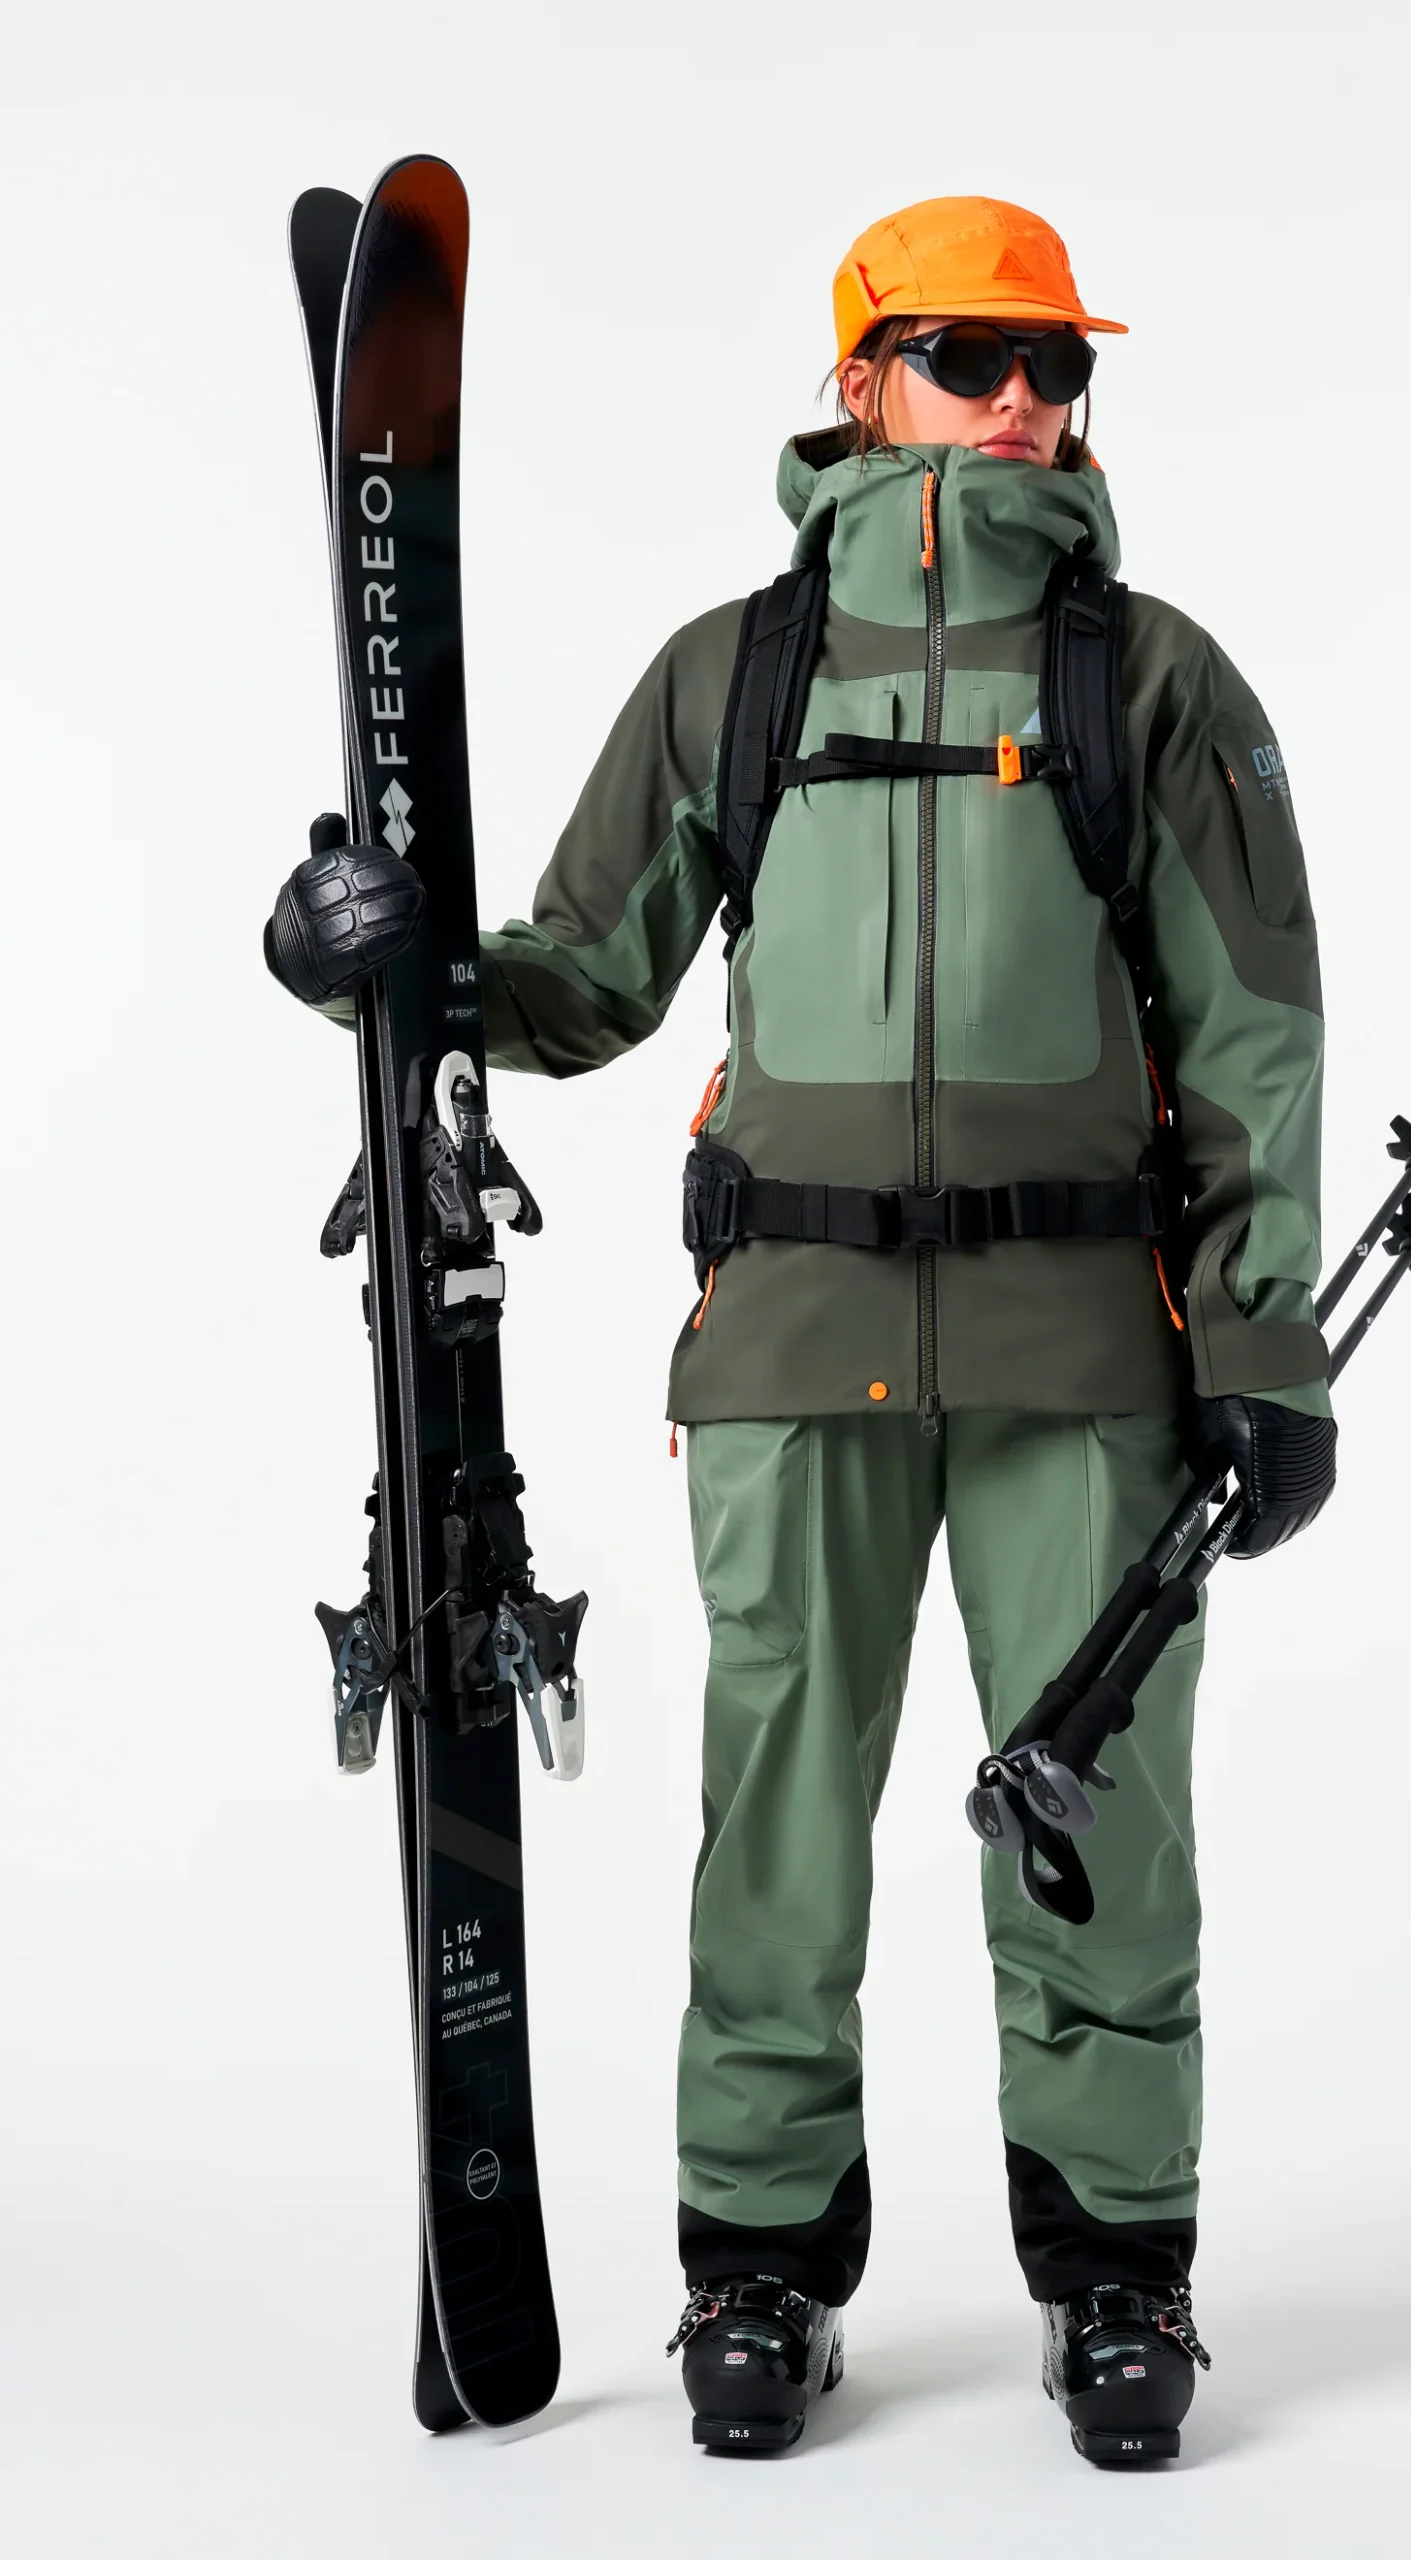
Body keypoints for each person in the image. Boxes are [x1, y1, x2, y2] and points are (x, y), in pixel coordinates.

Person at [266, 194, 1335, 2467]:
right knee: (776, 1822)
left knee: (1100, 1820)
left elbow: (1255, 1038)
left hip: (1084, 1353)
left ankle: (1118, 2273)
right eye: (972, 356)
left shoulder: (1149, 678)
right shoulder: (732, 676)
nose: (1023, 402)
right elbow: (577, 978)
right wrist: (378, 962)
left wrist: (1264, 1350)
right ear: (861, 381)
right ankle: (752, 2263)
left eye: (1057, 367)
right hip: (789, 1338)